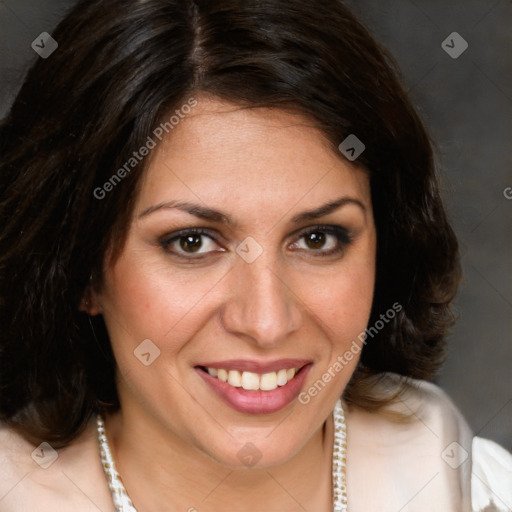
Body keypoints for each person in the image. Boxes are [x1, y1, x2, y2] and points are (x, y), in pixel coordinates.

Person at [0, 0, 510, 510]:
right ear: (82, 269)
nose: (267, 322)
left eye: (318, 238)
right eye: (192, 242)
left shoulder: (475, 485)